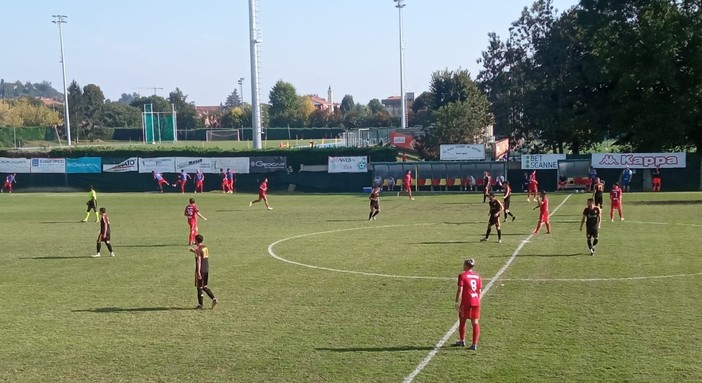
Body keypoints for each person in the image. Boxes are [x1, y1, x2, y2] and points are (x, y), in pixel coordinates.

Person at [454, 258, 482, 350]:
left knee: (462, 321)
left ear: (466, 265)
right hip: (476, 301)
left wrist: (457, 301)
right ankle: (474, 344)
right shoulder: (478, 276)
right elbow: (479, 291)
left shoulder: (462, 275)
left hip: (466, 302)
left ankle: (462, 340)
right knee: (475, 322)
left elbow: (460, 290)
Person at [190, 234, 219, 309]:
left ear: (196, 240)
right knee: (204, 286)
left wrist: (198, 272)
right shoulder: (205, 248)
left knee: (199, 287)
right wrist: (194, 251)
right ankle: (214, 299)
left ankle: (200, 305)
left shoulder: (198, 249)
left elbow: (199, 260)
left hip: (201, 270)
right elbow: (201, 255)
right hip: (206, 269)